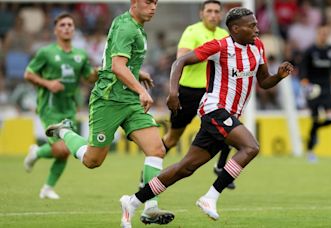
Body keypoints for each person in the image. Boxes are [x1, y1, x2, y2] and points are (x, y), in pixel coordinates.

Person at [118, 7, 293, 223]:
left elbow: (264, 82)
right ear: (236, 29)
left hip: (227, 114)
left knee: (186, 167)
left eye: (256, 24)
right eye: (252, 25)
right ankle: (210, 196)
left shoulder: (258, 47)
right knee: (251, 147)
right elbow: (179, 62)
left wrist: (279, 76)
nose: (257, 29)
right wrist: (173, 92)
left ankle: (133, 201)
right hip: (214, 109)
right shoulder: (220, 46)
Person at [45, 0, 174, 226]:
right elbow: (116, 66)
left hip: (130, 101)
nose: (153, 7)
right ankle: (65, 131)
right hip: (108, 99)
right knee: (93, 161)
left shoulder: (132, 24)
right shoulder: (127, 27)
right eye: (148, 2)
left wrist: (137, 72)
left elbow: (117, 60)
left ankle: (150, 207)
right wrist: (140, 89)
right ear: (134, 3)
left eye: (156, 2)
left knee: (156, 149)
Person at [141, 0, 236, 190]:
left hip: (212, 93)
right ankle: (146, 175)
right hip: (188, 92)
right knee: (172, 138)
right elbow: (181, 58)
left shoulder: (224, 35)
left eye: (217, 11)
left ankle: (220, 167)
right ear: (201, 13)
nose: (213, 15)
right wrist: (206, 53)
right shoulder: (192, 32)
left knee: (229, 128)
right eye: (209, 11)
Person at [23, 12, 98, 199]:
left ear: (74, 30)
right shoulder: (46, 52)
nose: (66, 28)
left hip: (69, 108)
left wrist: (103, 70)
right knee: (62, 149)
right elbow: (28, 74)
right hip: (49, 106)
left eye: (70, 25)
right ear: (56, 30)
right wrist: (48, 84)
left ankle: (47, 187)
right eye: (63, 25)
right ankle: (37, 152)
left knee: (65, 151)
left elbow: (89, 77)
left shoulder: (80, 55)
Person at [300, 25, 331, 163]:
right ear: (317, 34)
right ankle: (310, 150)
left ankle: (315, 129)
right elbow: (303, 70)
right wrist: (305, 83)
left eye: (326, 33)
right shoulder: (310, 51)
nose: (324, 36)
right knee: (316, 118)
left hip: (327, 89)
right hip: (313, 89)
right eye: (322, 33)